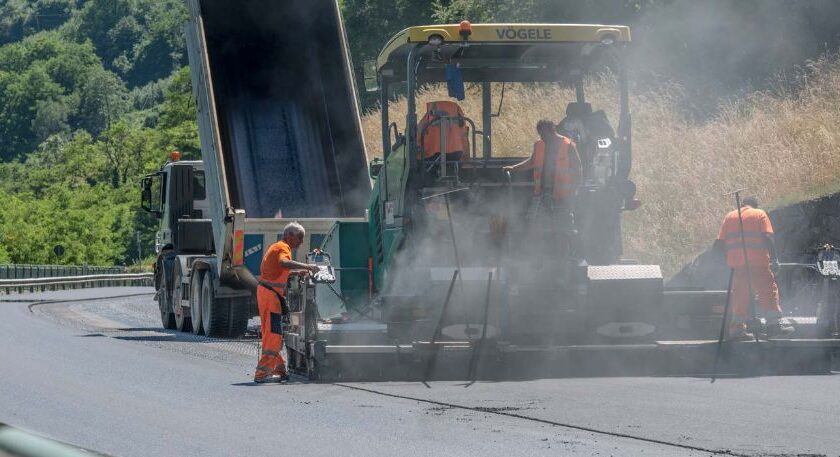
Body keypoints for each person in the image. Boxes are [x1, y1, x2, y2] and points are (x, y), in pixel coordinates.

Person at [715, 196, 794, 339]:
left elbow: (719, 244)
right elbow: (768, 237)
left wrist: (726, 263)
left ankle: (737, 331)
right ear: (754, 205)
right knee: (768, 291)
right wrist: (775, 259)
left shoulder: (730, 216)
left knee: (740, 296)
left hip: (738, 266)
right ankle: (774, 326)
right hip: (758, 263)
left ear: (744, 204)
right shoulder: (759, 214)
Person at [503, 119, 582, 253]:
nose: (542, 137)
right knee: (535, 225)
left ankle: (564, 258)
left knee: (563, 229)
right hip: (541, 194)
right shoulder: (539, 145)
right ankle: (536, 256)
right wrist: (513, 168)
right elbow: (531, 162)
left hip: (562, 196)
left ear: (552, 131)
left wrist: (573, 192)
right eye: (540, 134)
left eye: (544, 134)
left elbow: (578, 170)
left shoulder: (568, 145)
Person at [254, 222, 319, 383]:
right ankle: (261, 374)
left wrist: (298, 272)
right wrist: (308, 267)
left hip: (267, 293)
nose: (301, 242)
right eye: (300, 238)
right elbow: (283, 263)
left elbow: (279, 270)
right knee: (274, 335)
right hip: (270, 296)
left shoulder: (276, 246)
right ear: (290, 235)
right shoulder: (283, 248)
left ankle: (279, 369)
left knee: (271, 333)